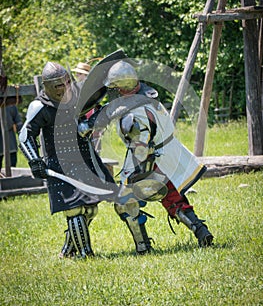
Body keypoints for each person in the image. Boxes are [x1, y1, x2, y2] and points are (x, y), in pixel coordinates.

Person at [79, 60, 214, 253]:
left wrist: (132, 175)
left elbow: (140, 149)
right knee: (173, 197)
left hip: (151, 158)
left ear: (121, 87)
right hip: (170, 154)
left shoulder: (133, 115)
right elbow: (112, 109)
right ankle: (200, 230)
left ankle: (143, 246)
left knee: (125, 203)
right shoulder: (148, 98)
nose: (115, 91)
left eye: (116, 87)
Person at [18, 61, 117, 259]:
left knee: (90, 208)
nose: (64, 88)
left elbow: (94, 107)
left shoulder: (77, 96)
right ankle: (85, 254)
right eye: (58, 85)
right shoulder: (40, 106)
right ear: (48, 86)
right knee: (74, 210)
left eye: (66, 83)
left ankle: (67, 250)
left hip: (84, 157)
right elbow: (25, 135)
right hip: (59, 163)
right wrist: (34, 160)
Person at [0, 105, 23, 172]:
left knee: (12, 164)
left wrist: (22, 135)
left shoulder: (10, 104)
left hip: (9, 137)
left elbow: (18, 121)